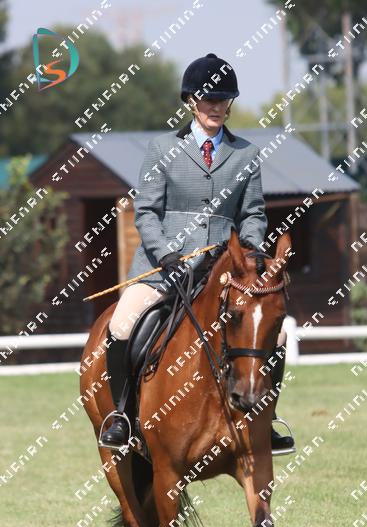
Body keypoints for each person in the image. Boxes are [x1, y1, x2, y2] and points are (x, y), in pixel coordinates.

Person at [99, 52, 295, 455]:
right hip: (162, 269)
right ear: (191, 101)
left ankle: (268, 418)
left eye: (224, 100)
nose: (216, 107)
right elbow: (146, 212)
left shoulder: (245, 154)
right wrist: (166, 255)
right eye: (209, 100)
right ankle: (122, 414)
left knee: (273, 335)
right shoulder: (161, 149)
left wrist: (250, 252)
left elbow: (253, 214)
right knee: (122, 324)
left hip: (223, 271)